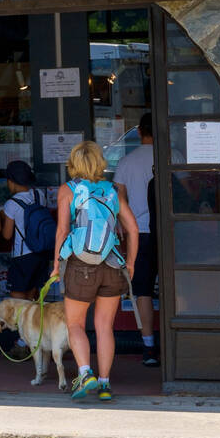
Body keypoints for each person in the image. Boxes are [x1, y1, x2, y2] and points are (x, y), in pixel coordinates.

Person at [51, 140, 139, 402]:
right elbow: (133, 229)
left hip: (79, 265)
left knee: (75, 324)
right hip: (112, 264)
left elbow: (62, 231)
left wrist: (56, 264)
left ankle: (85, 372)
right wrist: (131, 263)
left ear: (73, 163)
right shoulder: (114, 189)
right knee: (104, 327)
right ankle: (104, 384)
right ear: (101, 162)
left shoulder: (67, 190)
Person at [113, 114, 157, 366]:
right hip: (168, 231)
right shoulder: (173, 157)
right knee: (177, 285)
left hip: (137, 233)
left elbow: (120, 201)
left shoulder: (126, 162)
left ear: (139, 131)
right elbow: (188, 192)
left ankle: (149, 347)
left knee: (142, 291)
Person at [0, 159, 53, 355]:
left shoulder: (11, 204)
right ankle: (35, 338)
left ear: (12, 181)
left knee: (19, 300)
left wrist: (0, 217)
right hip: (41, 253)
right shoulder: (39, 195)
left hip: (22, 256)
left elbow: (6, 235)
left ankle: (22, 343)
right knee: (34, 298)